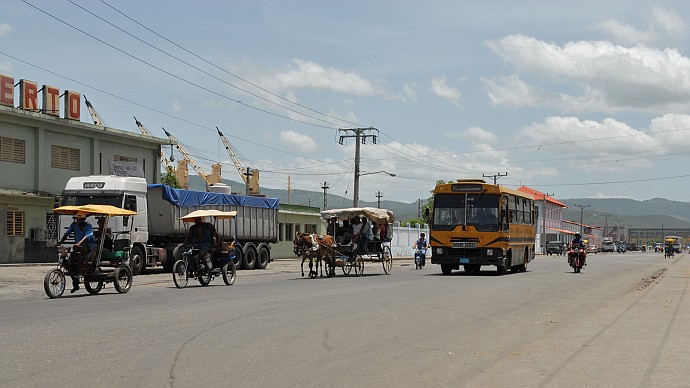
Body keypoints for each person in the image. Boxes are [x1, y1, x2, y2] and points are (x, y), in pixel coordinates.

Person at [57, 211, 96, 293]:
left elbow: (88, 236)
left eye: (80, 219)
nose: (78, 221)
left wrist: (79, 243)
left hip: (88, 246)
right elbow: (67, 233)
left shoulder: (88, 226)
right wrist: (60, 242)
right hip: (77, 246)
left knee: (77, 251)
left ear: (83, 219)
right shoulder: (73, 225)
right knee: (68, 264)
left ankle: (80, 273)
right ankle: (75, 284)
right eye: (77, 219)